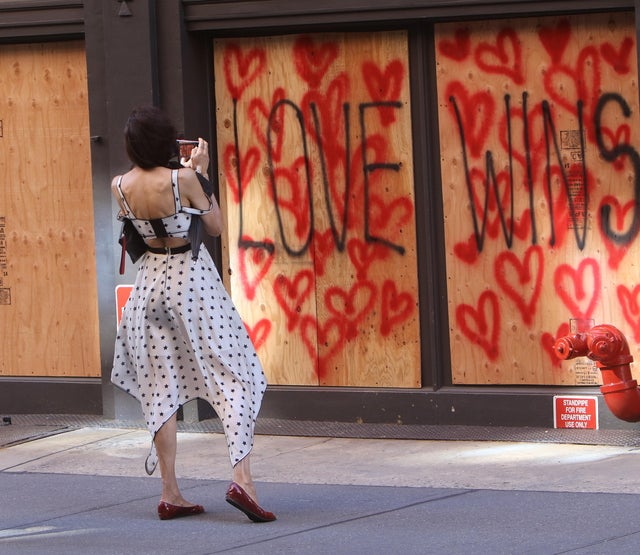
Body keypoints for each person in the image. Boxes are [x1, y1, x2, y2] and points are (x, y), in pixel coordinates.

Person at [110, 105, 276, 523]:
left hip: (149, 286)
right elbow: (216, 227)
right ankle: (243, 481)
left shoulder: (120, 184)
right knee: (237, 376)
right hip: (192, 283)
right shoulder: (183, 178)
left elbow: (141, 235)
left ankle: (170, 492)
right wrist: (200, 171)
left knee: (160, 386)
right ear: (167, 142)